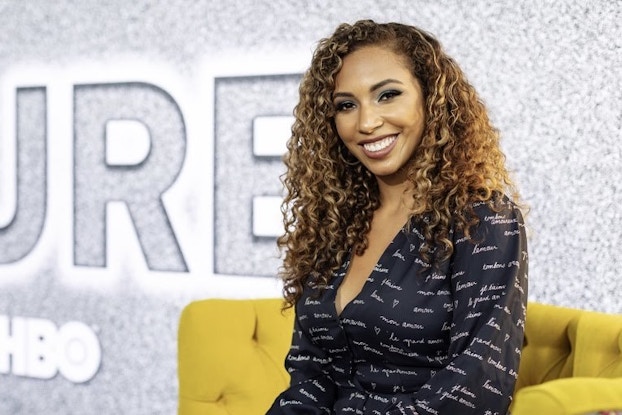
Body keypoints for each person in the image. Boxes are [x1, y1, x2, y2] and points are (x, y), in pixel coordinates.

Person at [267, 19, 528, 415]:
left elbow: (476, 387)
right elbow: (311, 373)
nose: (366, 123)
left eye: (387, 95)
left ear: (431, 100)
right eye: (346, 105)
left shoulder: (484, 219)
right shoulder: (335, 219)